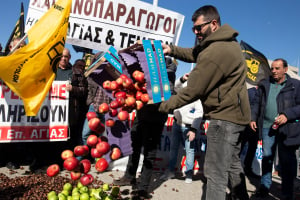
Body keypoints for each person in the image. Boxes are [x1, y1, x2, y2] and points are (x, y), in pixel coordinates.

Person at [158, 5, 250, 200]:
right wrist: (171, 49)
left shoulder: (216, 51)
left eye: (199, 28)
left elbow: (193, 90)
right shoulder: (222, 43)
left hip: (224, 118)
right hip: (236, 117)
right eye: (194, 29)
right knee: (233, 166)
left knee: (215, 173)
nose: (196, 32)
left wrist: (161, 105)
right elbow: (195, 53)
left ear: (214, 24)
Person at [113, 57, 177, 199]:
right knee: (134, 147)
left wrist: (149, 97)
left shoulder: (168, 73)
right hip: (141, 115)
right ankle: (129, 176)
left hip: (156, 118)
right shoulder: (146, 70)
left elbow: (168, 96)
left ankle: (143, 187)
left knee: (150, 152)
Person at [250, 58, 300, 199]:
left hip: (288, 130)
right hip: (267, 128)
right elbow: (256, 103)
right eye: (272, 68)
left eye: (277, 68)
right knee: (267, 160)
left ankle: (286, 194)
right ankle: (264, 188)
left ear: (285, 69)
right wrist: (253, 118)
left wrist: (287, 114)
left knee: (287, 162)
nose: (274, 71)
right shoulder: (265, 84)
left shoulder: (295, 85)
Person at [160, 73, 203, 183]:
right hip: (177, 125)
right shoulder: (182, 91)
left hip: (188, 128)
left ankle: (189, 174)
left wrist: (193, 129)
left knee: (189, 151)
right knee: (173, 149)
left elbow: (199, 113)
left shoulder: (196, 97)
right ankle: (170, 171)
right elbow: (176, 86)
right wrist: (183, 78)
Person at [240, 87, 260, 179]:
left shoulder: (261, 93)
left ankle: (248, 169)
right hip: (246, 125)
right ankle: (235, 170)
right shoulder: (250, 92)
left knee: (252, 148)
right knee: (240, 147)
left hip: (256, 126)